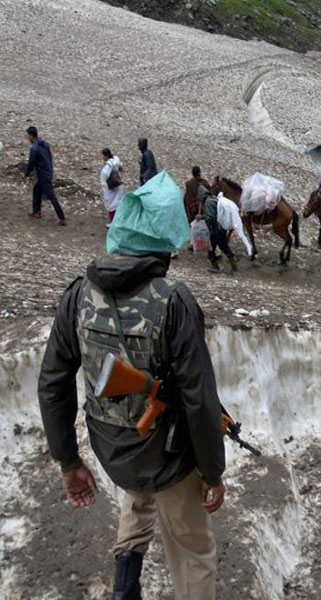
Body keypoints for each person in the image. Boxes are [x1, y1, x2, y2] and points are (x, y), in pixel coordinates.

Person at [38, 199, 226, 599]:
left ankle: (126, 585)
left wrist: (69, 462)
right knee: (194, 553)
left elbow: (53, 381)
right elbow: (199, 398)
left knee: (138, 490)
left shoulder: (78, 295)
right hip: (168, 456)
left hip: (113, 448)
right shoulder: (174, 301)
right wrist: (212, 472)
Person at [24, 126, 66, 225]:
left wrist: (26, 173)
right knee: (37, 190)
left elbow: (31, 162)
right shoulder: (44, 144)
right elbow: (49, 157)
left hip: (43, 174)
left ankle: (61, 217)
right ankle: (36, 212)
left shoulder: (34, 148)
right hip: (47, 171)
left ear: (31, 135)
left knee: (51, 195)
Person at [200, 185, 238, 273]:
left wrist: (201, 217)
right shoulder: (215, 199)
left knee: (210, 249)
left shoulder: (208, 203)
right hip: (222, 227)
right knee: (224, 246)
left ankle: (215, 266)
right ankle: (233, 265)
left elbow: (210, 218)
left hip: (215, 230)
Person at [100, 148, 125, 226]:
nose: (102, 157)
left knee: (111, 204)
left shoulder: (107, 167)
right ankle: (119, 220)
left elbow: (104, 179)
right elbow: (120, 166)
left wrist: (104, 191)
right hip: (119, 185)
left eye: (103, 156)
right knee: (118, 203)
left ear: (106, 156)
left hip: (111, 188)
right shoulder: (116, 160)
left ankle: (113, 222)